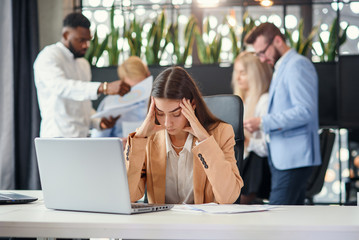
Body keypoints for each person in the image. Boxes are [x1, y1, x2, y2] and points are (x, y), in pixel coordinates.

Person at [125, 66, 243, 204]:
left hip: (203, 223)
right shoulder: (148, 139)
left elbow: (228, 197)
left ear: (192, 104)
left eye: (176, 114)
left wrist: (205, 140)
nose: (168, 123)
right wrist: (139, 138)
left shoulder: (221, 133)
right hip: (161, 223)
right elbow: (128, 195)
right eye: (160, 113)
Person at [243, 22, 321, 205]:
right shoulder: (282, 67)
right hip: (285, 159)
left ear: (277, 41)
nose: (262, 59)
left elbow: (305, 112)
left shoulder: (297, 65)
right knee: (291, 222)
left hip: (293, 159)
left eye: (263, 52)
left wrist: (263, 122)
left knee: (276, 220)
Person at [34, 12, 130, 137]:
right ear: (66, 35)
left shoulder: (83, 64)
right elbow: (62, 87)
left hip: (82, 138)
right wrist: (103, 87)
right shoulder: (49, 56)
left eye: (88, 40)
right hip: (57, 137)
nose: (86, 45)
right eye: (81, 40)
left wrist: (99, 122)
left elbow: (83, 104)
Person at [232, 51, 272, 204]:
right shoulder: (243, 100)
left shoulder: (264, 101)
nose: (237, 78)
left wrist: (246, 142)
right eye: (237, 73)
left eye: (243, 73)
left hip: (260, 164)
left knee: (255, 158)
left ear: (255, 74)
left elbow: (265, 148)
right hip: (245, 162)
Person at [91, 56, 152, 138]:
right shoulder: (110, 104)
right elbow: (97, 140)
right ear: (122, 84)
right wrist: (119, 142)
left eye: (141, 87)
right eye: (133, 89)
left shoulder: (158, 102)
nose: (138, 94)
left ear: (148, 76)